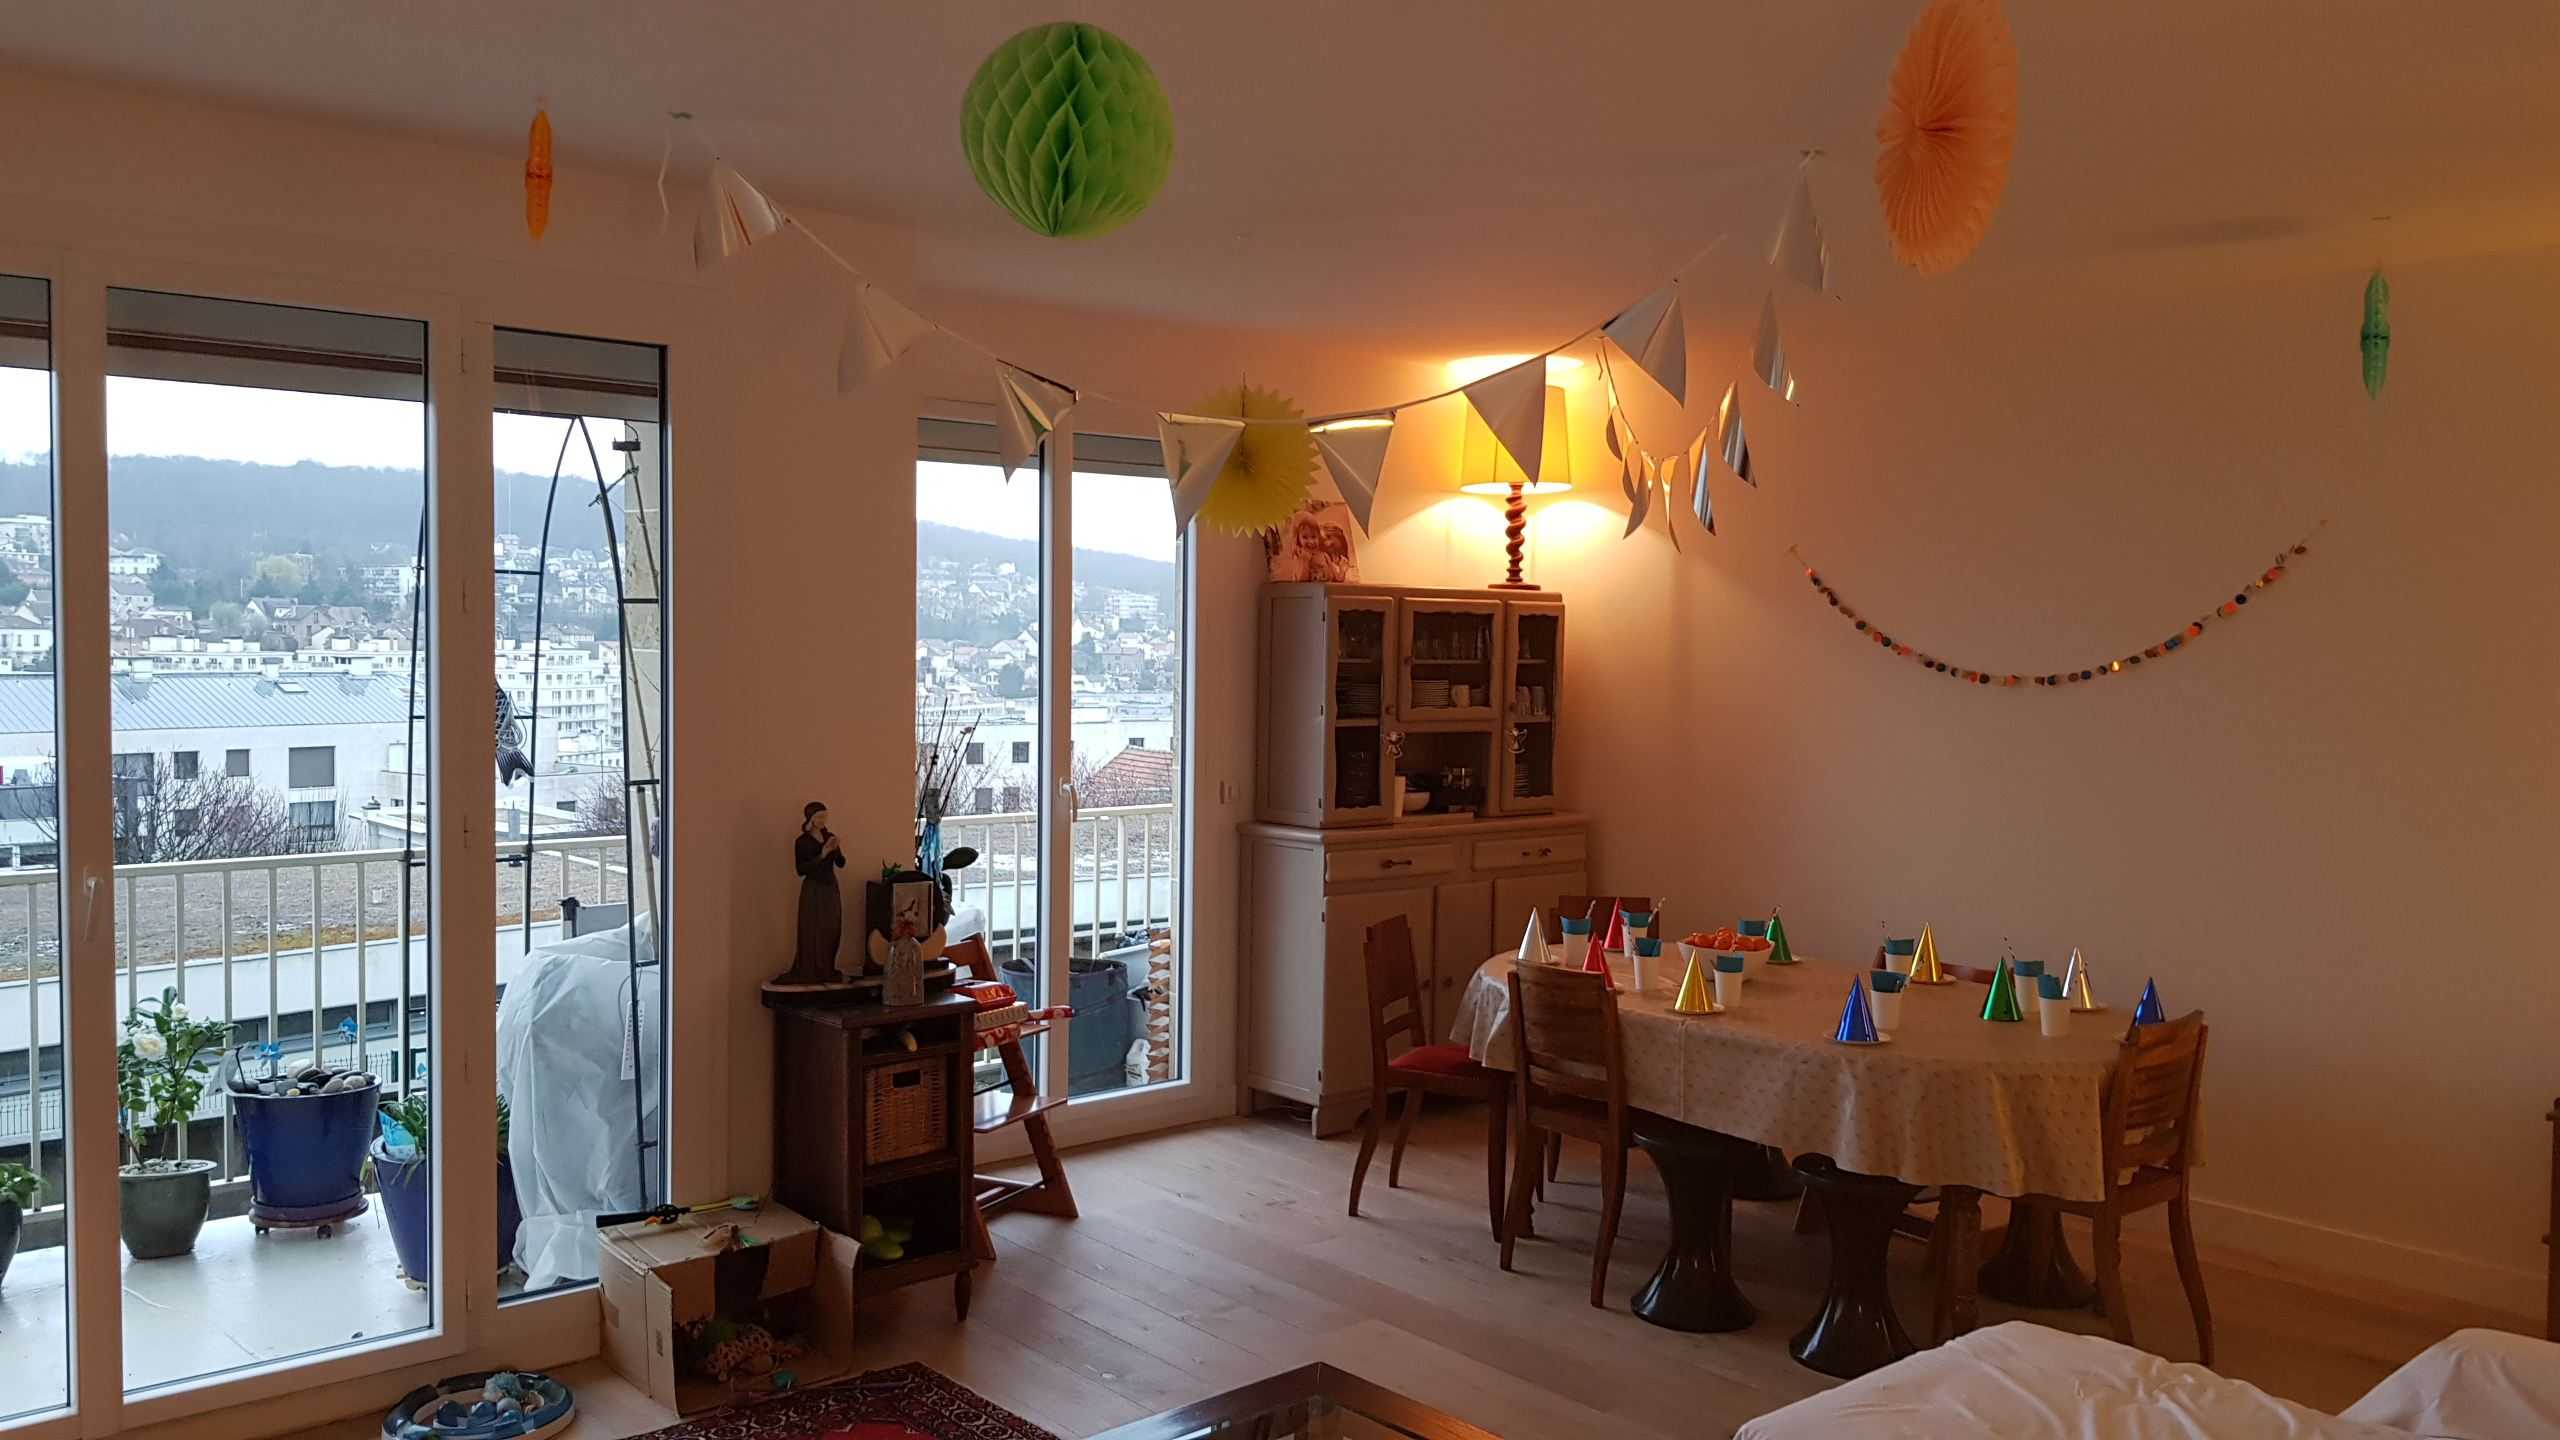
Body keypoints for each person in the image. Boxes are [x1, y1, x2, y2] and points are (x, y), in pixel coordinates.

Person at [789, 801, 846, 983]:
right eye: (819, 817)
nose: (822, 821)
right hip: (813, 888)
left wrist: (836, 850)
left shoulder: (829, 836)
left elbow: (841, 863)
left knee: (832, 927)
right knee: (813, 929)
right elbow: (801, 869)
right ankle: (812, 969)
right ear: (811, 819)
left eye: (824, 817)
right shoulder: (802, 842)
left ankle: (827, 967)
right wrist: (822, 854)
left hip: (830, 886)